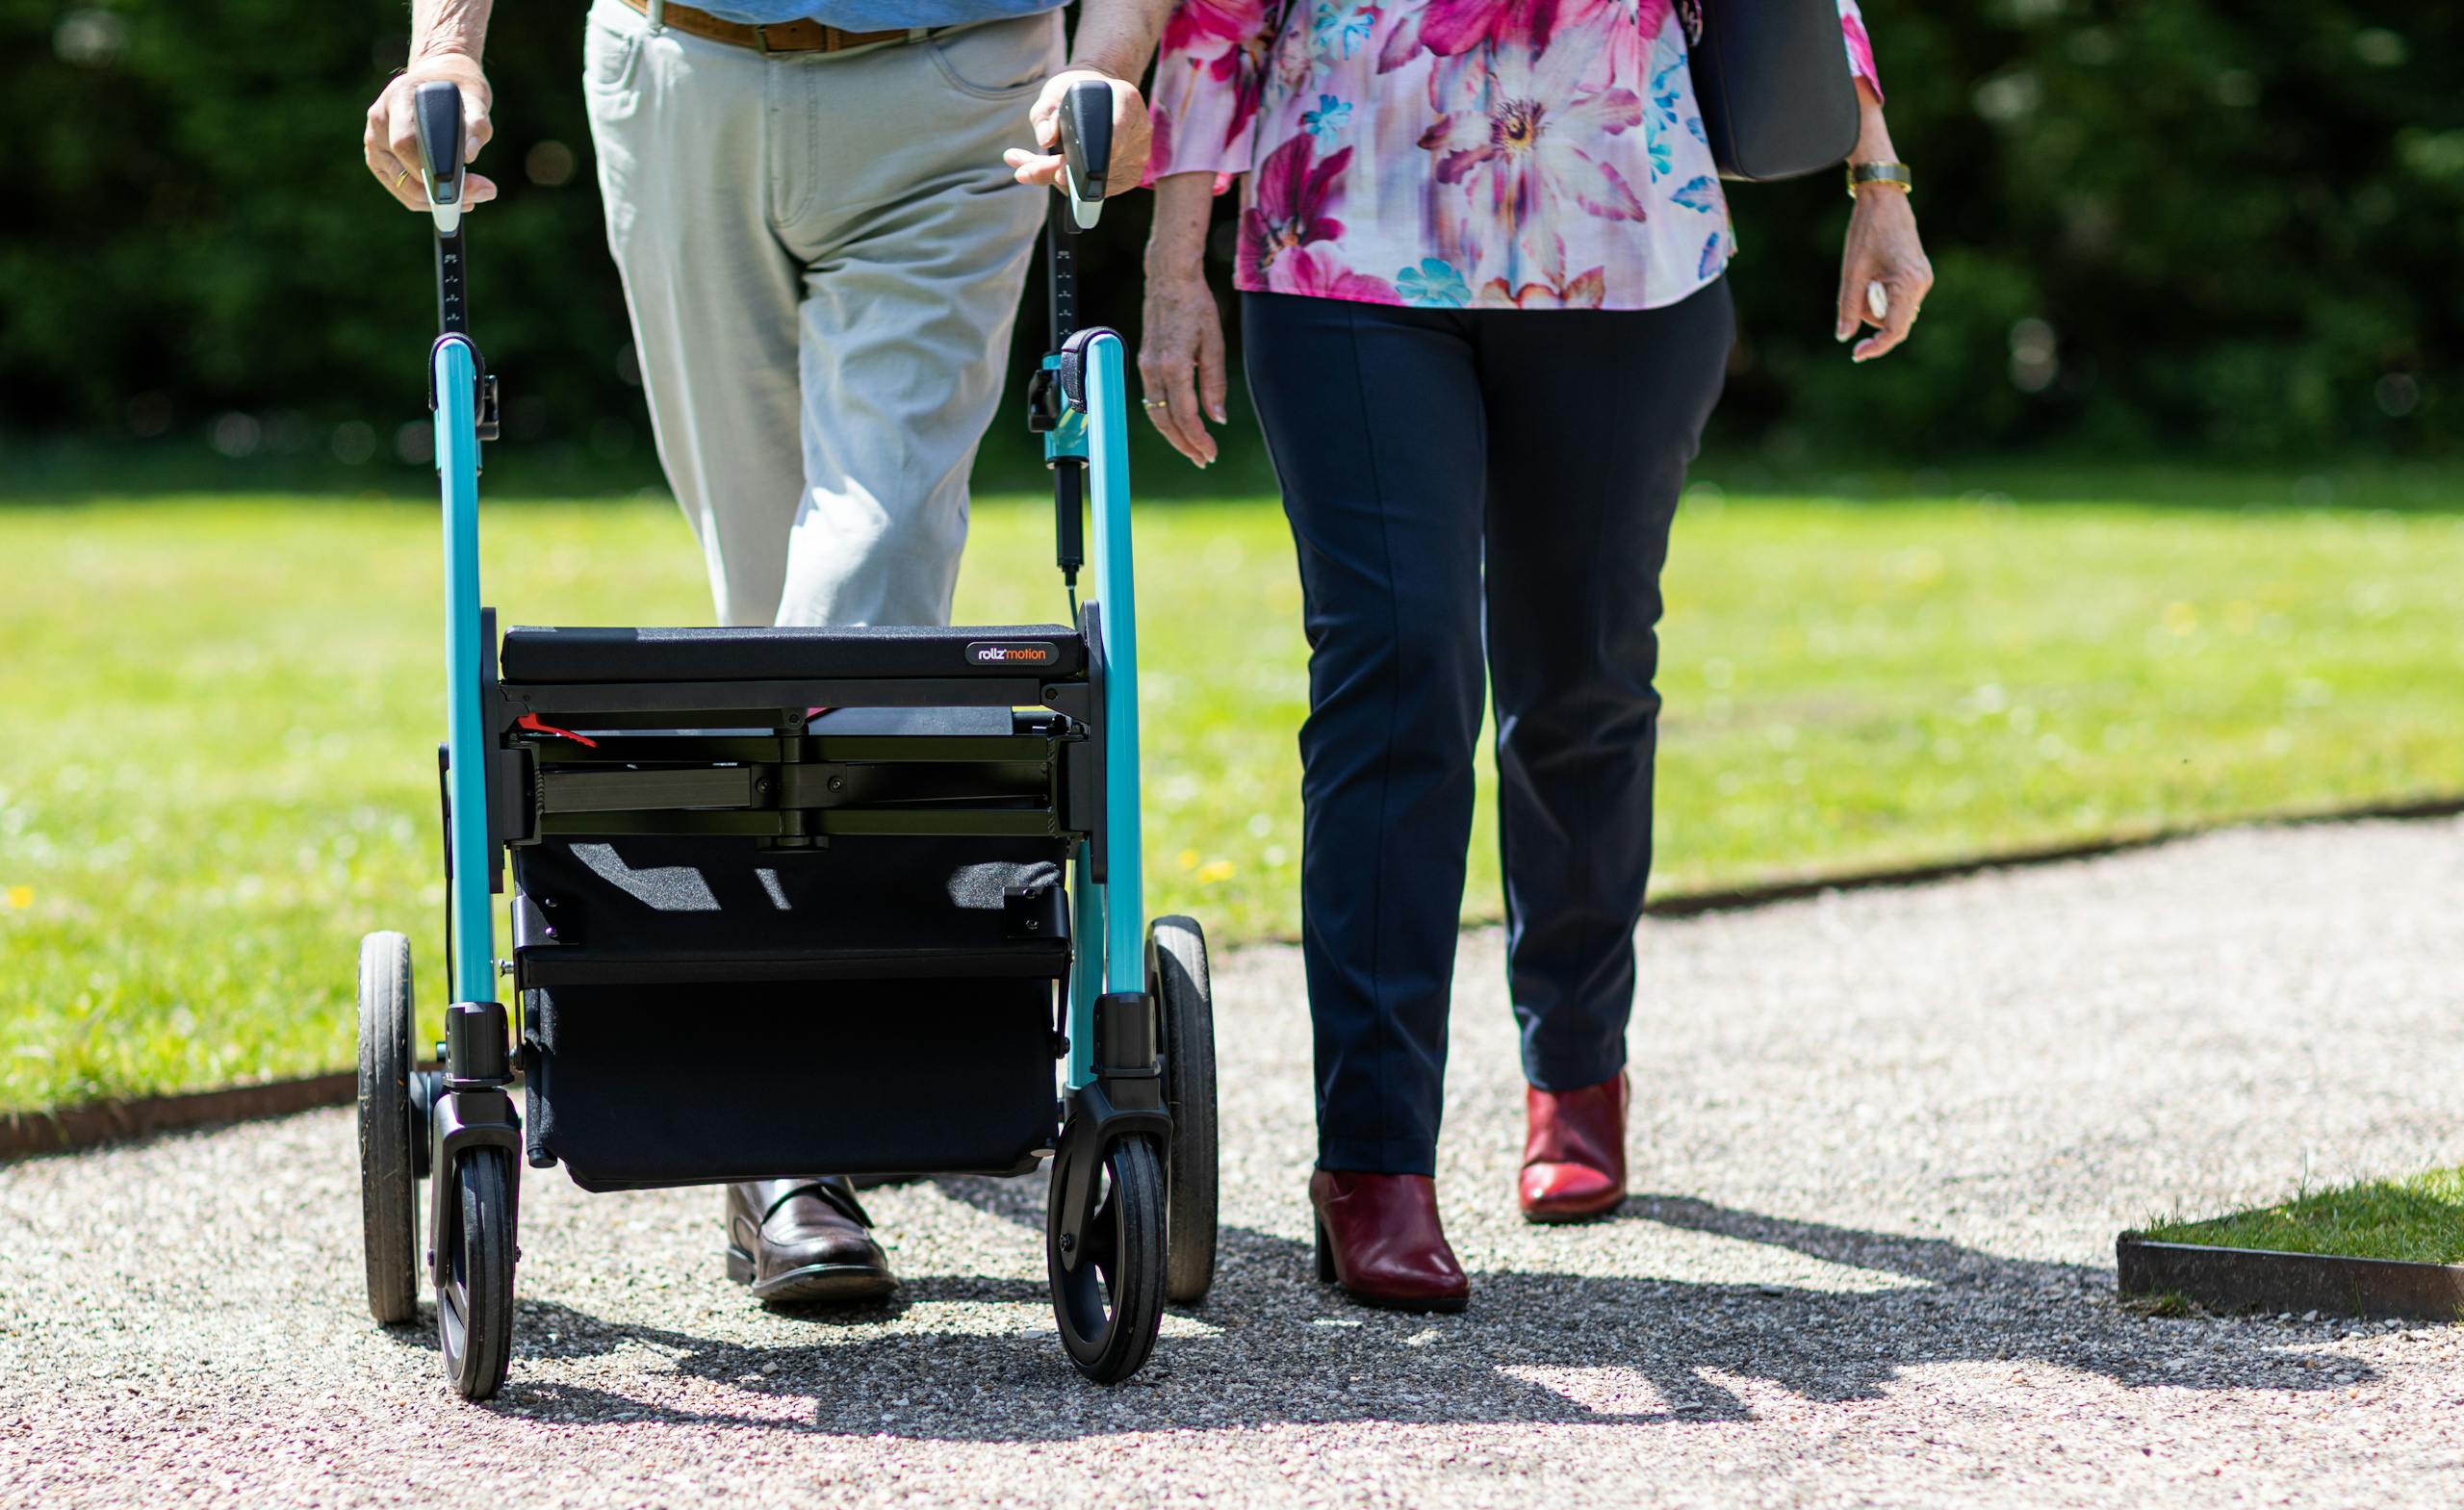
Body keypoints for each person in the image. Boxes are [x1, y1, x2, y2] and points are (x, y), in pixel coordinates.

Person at [361, 0, 1167, 1306]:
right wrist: (444, 45)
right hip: (677, 74)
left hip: (960, 90)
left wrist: (1109, 63)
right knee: (760, 598)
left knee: (870, 569)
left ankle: (788, 1144)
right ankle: (817, 1042)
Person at [1131, 0, 1933, 1310]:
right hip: (1346, 241)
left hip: (1623, 242)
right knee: (1398, 666)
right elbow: (1214, 12)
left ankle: (1575, 1064)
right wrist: (1176, 265)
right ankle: (1374, 1167)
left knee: (1584, 673)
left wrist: (1877, 177)